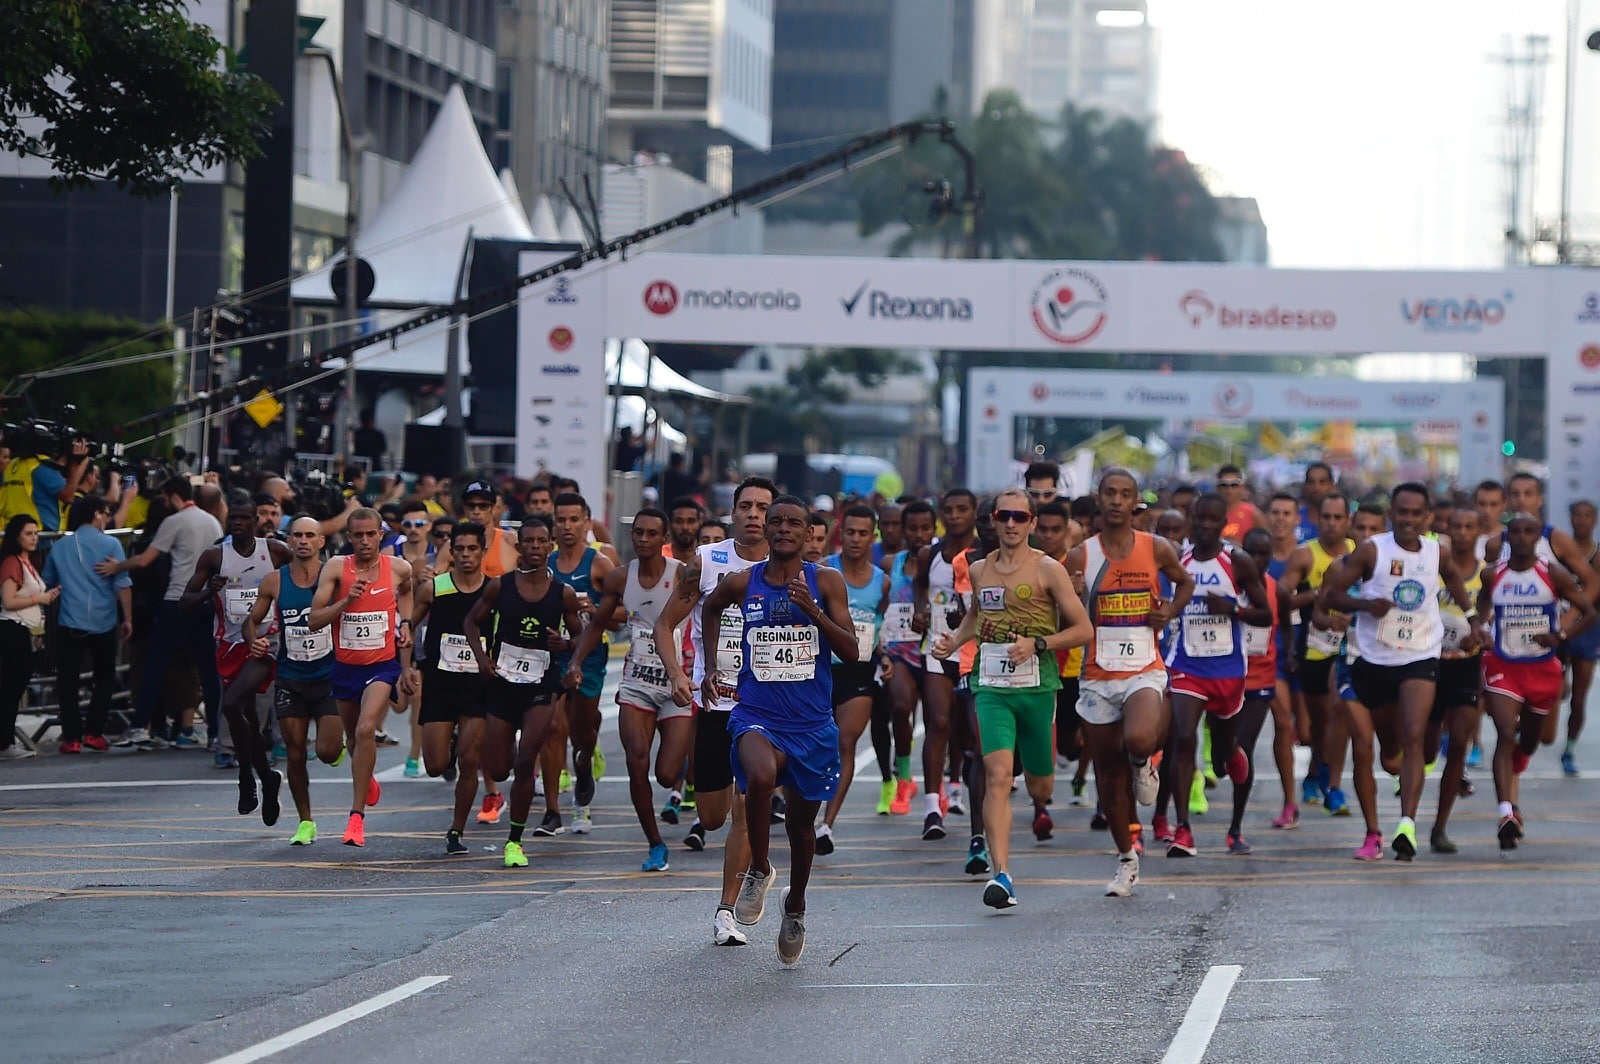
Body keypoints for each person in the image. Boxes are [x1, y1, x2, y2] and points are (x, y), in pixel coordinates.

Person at [701, 495, 858, 967]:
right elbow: (710, 610)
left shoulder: (825, 581)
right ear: (765, 530)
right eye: (776, 522)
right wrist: (711, 664)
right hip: (757, 713)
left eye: (795, 522)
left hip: (811, 723)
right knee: (760, 776)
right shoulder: (741, 582)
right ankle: (759, 869)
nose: (784, 528)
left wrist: (815, 612)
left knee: (801, 828)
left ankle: (796, 904)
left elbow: (851, 650)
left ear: (809, 533)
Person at [933, 488, 1091, 908]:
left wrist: (1038, 644)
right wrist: (954, 642)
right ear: (994, 521)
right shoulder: (979, 568)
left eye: (1020, 517)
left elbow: (1083, 630)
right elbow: (975, 617)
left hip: (1037, 687)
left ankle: (1040, 793)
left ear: (1032, 523)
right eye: (1004, 516)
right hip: (991, 686)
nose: (1011, 524)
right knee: (997, 774)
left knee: (1041, 783)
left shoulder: (1049, 570)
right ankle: (1002, 873)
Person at [1321, 482, 1477, 861]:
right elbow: (1331, 597)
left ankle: (1406, 824)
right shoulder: (1373, 551)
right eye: (1401, 512)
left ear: (1427, 517)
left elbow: (1455, 579)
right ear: (1393, 514)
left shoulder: (1436, 552)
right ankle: (1379, 820)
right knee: (1387, 750)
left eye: (1415, 514)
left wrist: (1473, 619)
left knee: (1413, 735)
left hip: (1421, 656)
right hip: (1374, 661)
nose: (1408, 520)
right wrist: (1364, 605)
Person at [653, 476, 774, 946]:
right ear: (732, 512)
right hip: (714, 702)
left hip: (764, 707)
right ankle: (751, 865)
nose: (753, 514)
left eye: (762, 507)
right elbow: (665, 625)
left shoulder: (790, 568)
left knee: (746, 807)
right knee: (710, 816)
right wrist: (678, 676)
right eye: (745, 505)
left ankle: (727, 909)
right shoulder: (706, 563)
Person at [1067, 469, 1193, 897]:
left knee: (1140, 738)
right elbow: (1062, 612)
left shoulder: (1156, 548)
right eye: (1109, 494)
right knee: (1108, 777)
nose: (1117, 501)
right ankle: (1127, 859)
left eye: (1125, 494)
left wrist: (1169, 611)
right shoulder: (1080, 556)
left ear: (1136, 502)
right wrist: (1075, 593)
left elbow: (1185, 581)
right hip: (1097, 677)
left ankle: (1145, 763)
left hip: (1143, 668)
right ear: (1098, 500)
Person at [567, 507, 685, 871]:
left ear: (664, 539)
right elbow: (599, 623)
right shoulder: (620, 579)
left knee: (667, 772)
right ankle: (655, 843)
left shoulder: (681, 575)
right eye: (638, 533)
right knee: (637, 761)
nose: (644, 539)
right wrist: (575, 661)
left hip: (677, 683)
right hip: (636, 682)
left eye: (652, 533)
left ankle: (678, 787)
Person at [1156, 493, 1272, 858]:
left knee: (1223, 758)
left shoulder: (1237, 562)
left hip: (1227, 670)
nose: (1205, 526)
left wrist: (1234, 608)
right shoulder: (1178, 559)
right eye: (1200, 519)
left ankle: (1231, 767)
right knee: (1184, 737)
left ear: (1224, 524)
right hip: (1186, 664)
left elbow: (1265, 614)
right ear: (1192, 519)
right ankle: (1183, 829)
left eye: (1213, 520)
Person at [464, 516, 582, 868]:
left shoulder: (564, 593)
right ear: (520, 546)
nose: (534, 547)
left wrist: (566, 646)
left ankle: (514, 840)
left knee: (526, 758)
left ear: (550, 546)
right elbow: (471, 621)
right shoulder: (500, 587)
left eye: (540, 541)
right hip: (503, 683)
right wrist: (483, 659)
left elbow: (579, 636)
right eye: (527, 541)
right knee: (499, 769)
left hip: (541, 687)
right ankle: (508, 759)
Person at [1476, 513, 1596, 850]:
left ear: (1536, 537)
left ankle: (1519, 767)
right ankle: (1506, 812)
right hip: (1503, 664)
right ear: (1508, 537)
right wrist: (1481, 627)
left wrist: (1559, 634)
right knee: (1503, 733)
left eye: (1530, 531)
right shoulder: (1492, 574)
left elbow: (1589, 612)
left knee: (1530, 741)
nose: (1523, 537)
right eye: (1516, 531)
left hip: (1542, 668)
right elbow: (1482, 603)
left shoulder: (1551, 572)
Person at [307, 507, 414, 847]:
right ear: (349, 537)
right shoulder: (337, 568)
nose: (365, 541)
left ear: (380, 534)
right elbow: (314, 619)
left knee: (368, 728)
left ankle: (355, 819)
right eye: (358, 535)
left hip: (381, 666)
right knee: (354, 738)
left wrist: (406, 622)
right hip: (345, 667)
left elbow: (408, 591)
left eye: (371, 534)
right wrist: (345, 602)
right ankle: (364, 774)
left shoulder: (398, 568)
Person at [97, 476, 224, 752]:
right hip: (205, 600)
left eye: (165, 498)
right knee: (209, 670)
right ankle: (216, 732)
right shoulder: (212, 522)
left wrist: (116, 568)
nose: (163, 504)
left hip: (176, 600)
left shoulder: (174, 522)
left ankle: (141, 726)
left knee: (154, 665)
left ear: (173, 495)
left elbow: (145, 560)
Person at [186, 499, 292, 823]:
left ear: (256, 520)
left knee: (231, 705)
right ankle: (266, 778)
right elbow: (184, 601)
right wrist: (209, 591)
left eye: (245, 518)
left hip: (263, 645)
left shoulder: (275, 551)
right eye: (234, 518)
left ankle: (246, 776)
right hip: (228, 645)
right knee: (246, 718)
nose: (238, 523)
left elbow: (303, 579)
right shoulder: (215, 556)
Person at [243, 517, 343, 844]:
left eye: (310, 535)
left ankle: (338, 747)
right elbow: (252, 620)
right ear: (289, 540)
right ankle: (306, 821)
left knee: (327, 752)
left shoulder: (334, 576)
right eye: (297, 535)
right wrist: (253, 640)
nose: (303, 541)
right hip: (291, 676)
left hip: (328, 675)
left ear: (320, 542)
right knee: (295, 751)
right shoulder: (274, 581)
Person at [400, 521, 492, 855]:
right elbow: (407, 628)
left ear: (483, 551)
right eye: (460, 549)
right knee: (437, 765)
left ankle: (456, 829)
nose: (466, 555)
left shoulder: (493, 590)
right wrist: (406, 666)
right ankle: (449, 744)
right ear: (451, 552)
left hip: (477, 687)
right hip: (440, 683)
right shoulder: (434, 588)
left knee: (470, 761)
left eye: (472, 549)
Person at [814, 505, 890, 856]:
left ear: (872, 537)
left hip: (859, 670)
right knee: (817, 743)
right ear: (839, 534)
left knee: (846, 743)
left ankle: (826, 824)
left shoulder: (881, 581)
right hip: (819, 669)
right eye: (850, 532)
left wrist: (884, 655)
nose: (856, 539)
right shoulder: (823, 571)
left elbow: (883, 625)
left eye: (863, 533)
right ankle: (804, 810)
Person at [1279, 494, 1356, 815]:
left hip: (1349, 648)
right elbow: (1281, 597)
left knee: (1339, 712)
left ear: (1347, 520)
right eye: (1326, 517)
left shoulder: (1360, 552)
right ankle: (1316, 770)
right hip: (1314, 648)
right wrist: (1317, 596)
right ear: (1317, 518)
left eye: (1338, 518)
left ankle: (1327, 779)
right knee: (1314, 728)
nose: (1332, 524)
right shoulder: (1304, 555)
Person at [912, 488, 979, 840]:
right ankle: (931, 808)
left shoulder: (987, 553)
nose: (955, 516)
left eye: (962, 510)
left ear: (973, 512)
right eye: (949, 510)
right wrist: (920, 612)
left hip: (976, 652)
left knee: (967, 730)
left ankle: (961, 787)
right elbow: (920, 587)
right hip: (938, 648)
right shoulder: (930, 554)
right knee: (937, 721)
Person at [548, 492, 616, 835]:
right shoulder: (544, 564)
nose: (567, 526)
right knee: (553, 726)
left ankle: (585, 763)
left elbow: (621, 616)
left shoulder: (600, 564)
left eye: (575, 519)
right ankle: (554, 810)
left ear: (587, 523)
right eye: (561, 519)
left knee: (581, 732)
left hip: (590, 656)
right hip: (551, 656)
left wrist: (595, 611)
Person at [42, 495, 131, 754]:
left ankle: (71, 738)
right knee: (103, 678)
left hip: (69, 620)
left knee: (67, 681)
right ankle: (94, 732)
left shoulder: (60, 546)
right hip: (104, 621)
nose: (106, 518)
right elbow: (123, 585)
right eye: (105, 513)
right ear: (95, 514)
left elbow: (48, 579)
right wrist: (128, 618)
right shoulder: (112, 544)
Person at [1428, 507, 1486, 854]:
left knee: (1459, 745)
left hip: (1467, 665)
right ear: (1446, 529)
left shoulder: (1487, 574)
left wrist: (1479, 634)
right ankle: (1407, 816)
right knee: (1425, 746)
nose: (1462, 533)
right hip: (1430, 664)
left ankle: (1439, 827)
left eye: (1469, 527)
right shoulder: (1431, 568)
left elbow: (1491, 613)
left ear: (1479, 531)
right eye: (1456, 527)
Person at [880, 500, 936, 816]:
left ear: (934, 529)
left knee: (935, 720)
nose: (919, 534)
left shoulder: (943, 563)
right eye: (912, 528)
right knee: (901, 709)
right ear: (903, 530)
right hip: (900, 652)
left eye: (925, 528)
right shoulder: (891, 564)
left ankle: (937, 787)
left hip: (932, 653)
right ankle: (904, 776)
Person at [0, 514, 55, 759]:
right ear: (16, 536)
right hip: (14, 628)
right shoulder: (12, 562)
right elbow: (9, 601)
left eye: (35, 533)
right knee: (11, 688)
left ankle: (6, 740)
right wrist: (40, 599)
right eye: (28, 534)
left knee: (15, 686)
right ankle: (5, 743)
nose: (34, 538)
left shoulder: (27, 561)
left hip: (28, 630)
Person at [1564, 499, 1600, 775]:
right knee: (1552, 689)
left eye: (1588, 515)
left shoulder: (1598, 555)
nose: (1582, 520)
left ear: (1595, 520)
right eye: (1578, 515)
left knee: (1579, 698)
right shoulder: (1561, 552)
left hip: (1586, 629)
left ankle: (1570, 748)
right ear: (1571, 518)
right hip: (1559, 626)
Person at [460, 481, 517, 578]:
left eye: (483, 506)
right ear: (464, 508)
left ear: (494, 508)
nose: (476, 512)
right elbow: (437, 586)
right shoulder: (453, 545)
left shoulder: (511, 541)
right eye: (471, 506)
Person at [1216, 464, 1263, 544]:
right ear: (1217, 487)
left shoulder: (1253, 514)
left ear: (1242, 487)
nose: (1229, 490)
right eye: (1224, 485)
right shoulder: (1209, 513)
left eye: (1234, 485)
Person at [1297, 463, 1335, 543]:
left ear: (1332, 485)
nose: (1316, 487)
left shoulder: (1346, 520)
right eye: (1311, 482)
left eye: (1322, 482)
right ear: (1305, 486)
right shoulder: (1293, 518)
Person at [667, 496, 703, 564]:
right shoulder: (659, 555)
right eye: (679, 521)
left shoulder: (706, 556)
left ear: (700, 523)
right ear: (670, 524)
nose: (685, 527)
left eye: (691, 521)